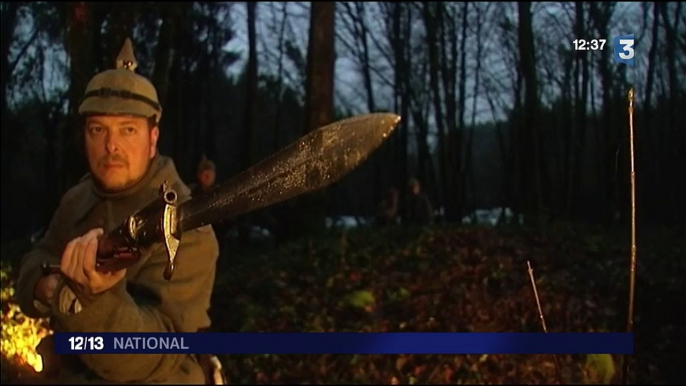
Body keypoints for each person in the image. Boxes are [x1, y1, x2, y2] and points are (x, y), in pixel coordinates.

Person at [16, 39, 222, 384]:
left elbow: (151, 357)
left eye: (128, 130)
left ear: (152, 138)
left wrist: (90, 300)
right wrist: (45, 286)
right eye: (98, 130)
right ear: (84, 136)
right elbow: (38, 257)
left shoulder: (187, 225)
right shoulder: (78, 199)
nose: (111, 145)